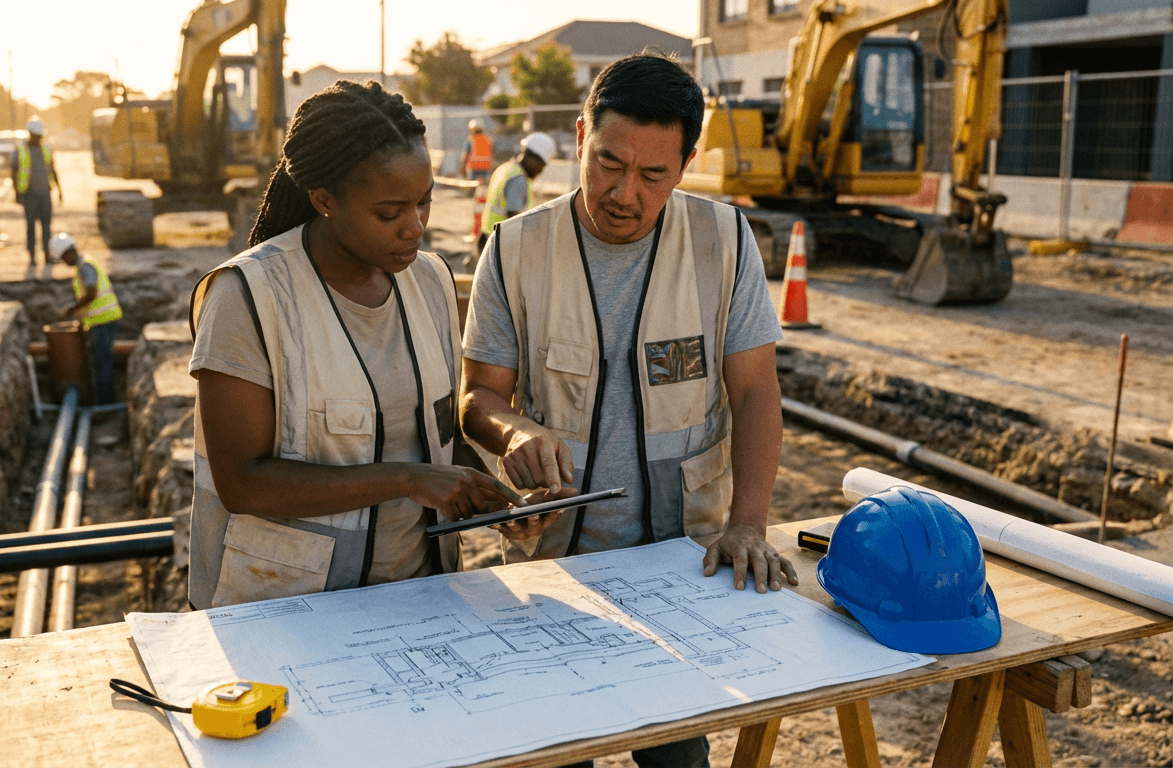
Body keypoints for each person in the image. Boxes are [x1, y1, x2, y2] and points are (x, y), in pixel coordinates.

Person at [459, 54, 797, 768]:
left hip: (680, 562)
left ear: (687, 165)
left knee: (677, 751)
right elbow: (477, 398)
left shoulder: (724, 242)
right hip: (553, 568)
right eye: (608, 163)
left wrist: (748, 523)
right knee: (555, 749)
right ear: (580, 135)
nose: (623, 193)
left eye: (652, 175)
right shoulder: (515, 250)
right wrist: (513, 431)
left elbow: (756, 390)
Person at [186, 80, 558, 611]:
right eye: (390, 213)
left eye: (424, 203)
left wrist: (494, 501)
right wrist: (406, 480)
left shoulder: (430, 281)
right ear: (324, 201)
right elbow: (243, 483)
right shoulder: (248, 297)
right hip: (283, 608)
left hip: (417, 596)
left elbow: (436, 437)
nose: (416, 228)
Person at [50, 233, 122, 405]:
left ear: (69, 253)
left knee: (102, 364)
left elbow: (91, 293)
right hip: (102, 321)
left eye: (63, 258)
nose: (64, 262)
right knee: (100, 362)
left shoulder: (85, 267)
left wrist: (73, 308)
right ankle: (104, 403)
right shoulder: (84, 266)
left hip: (105, 321)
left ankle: (106, 406)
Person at [477, 131, 555, 253]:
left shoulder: (505, 168)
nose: (541, 170)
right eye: (542, 165)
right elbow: (514, 220)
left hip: (487, 235)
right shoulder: (518, 180)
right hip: (500, 245)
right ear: (533, 158)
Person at [11, 118, 61, 266]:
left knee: (46, 226)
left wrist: (60, 189)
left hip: (45, 193)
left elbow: (52, 169)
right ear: (30, 134)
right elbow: (14, 172)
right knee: (31, 226)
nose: (39, 138)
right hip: (29, 194)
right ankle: (32, 255)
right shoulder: (21, 151)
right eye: (36, 135)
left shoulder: (45, 149)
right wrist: (17, 194)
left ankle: (47, 253)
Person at [459, 119, 493, 184]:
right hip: (486, 167)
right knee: (486, 188)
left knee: (471, 187)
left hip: (474, 167)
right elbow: (492, 153)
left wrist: (462, 169)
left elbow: (465, 155)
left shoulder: (470, 139)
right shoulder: (488, 139)